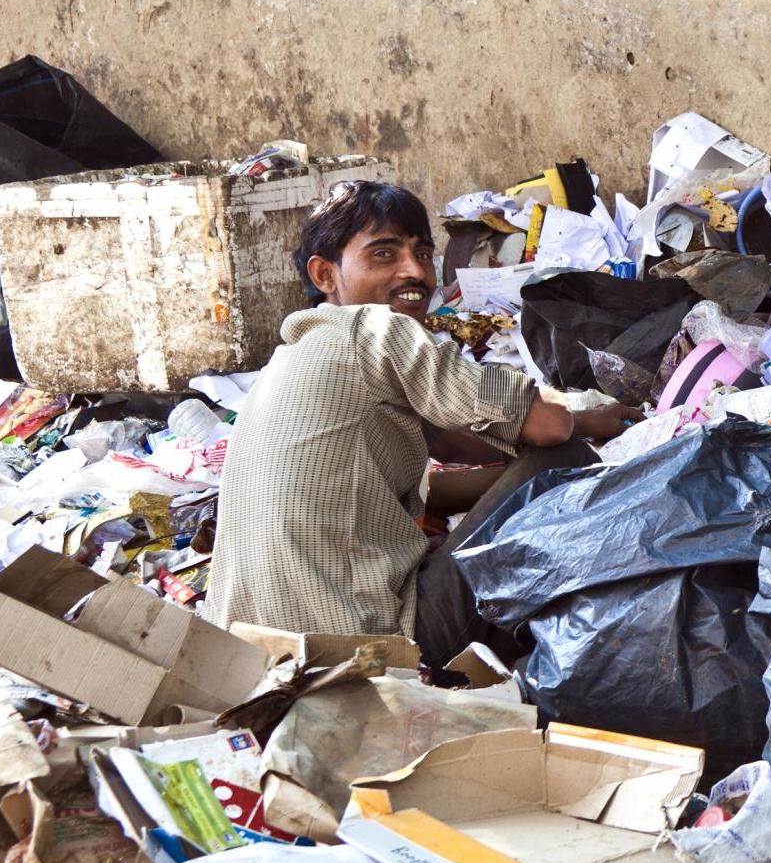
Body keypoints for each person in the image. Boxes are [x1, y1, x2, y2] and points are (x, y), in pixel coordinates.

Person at [207, 179, 637, 647]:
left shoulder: (294, 357)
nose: (415, 271)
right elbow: (549, 428)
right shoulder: (373, 329)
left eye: (423, 252)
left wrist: (582, 426)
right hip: (372, 649)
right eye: (384, 254)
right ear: (325, 275)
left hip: (249, 653)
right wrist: (590, 432)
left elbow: (450, 442)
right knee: (560, 460)